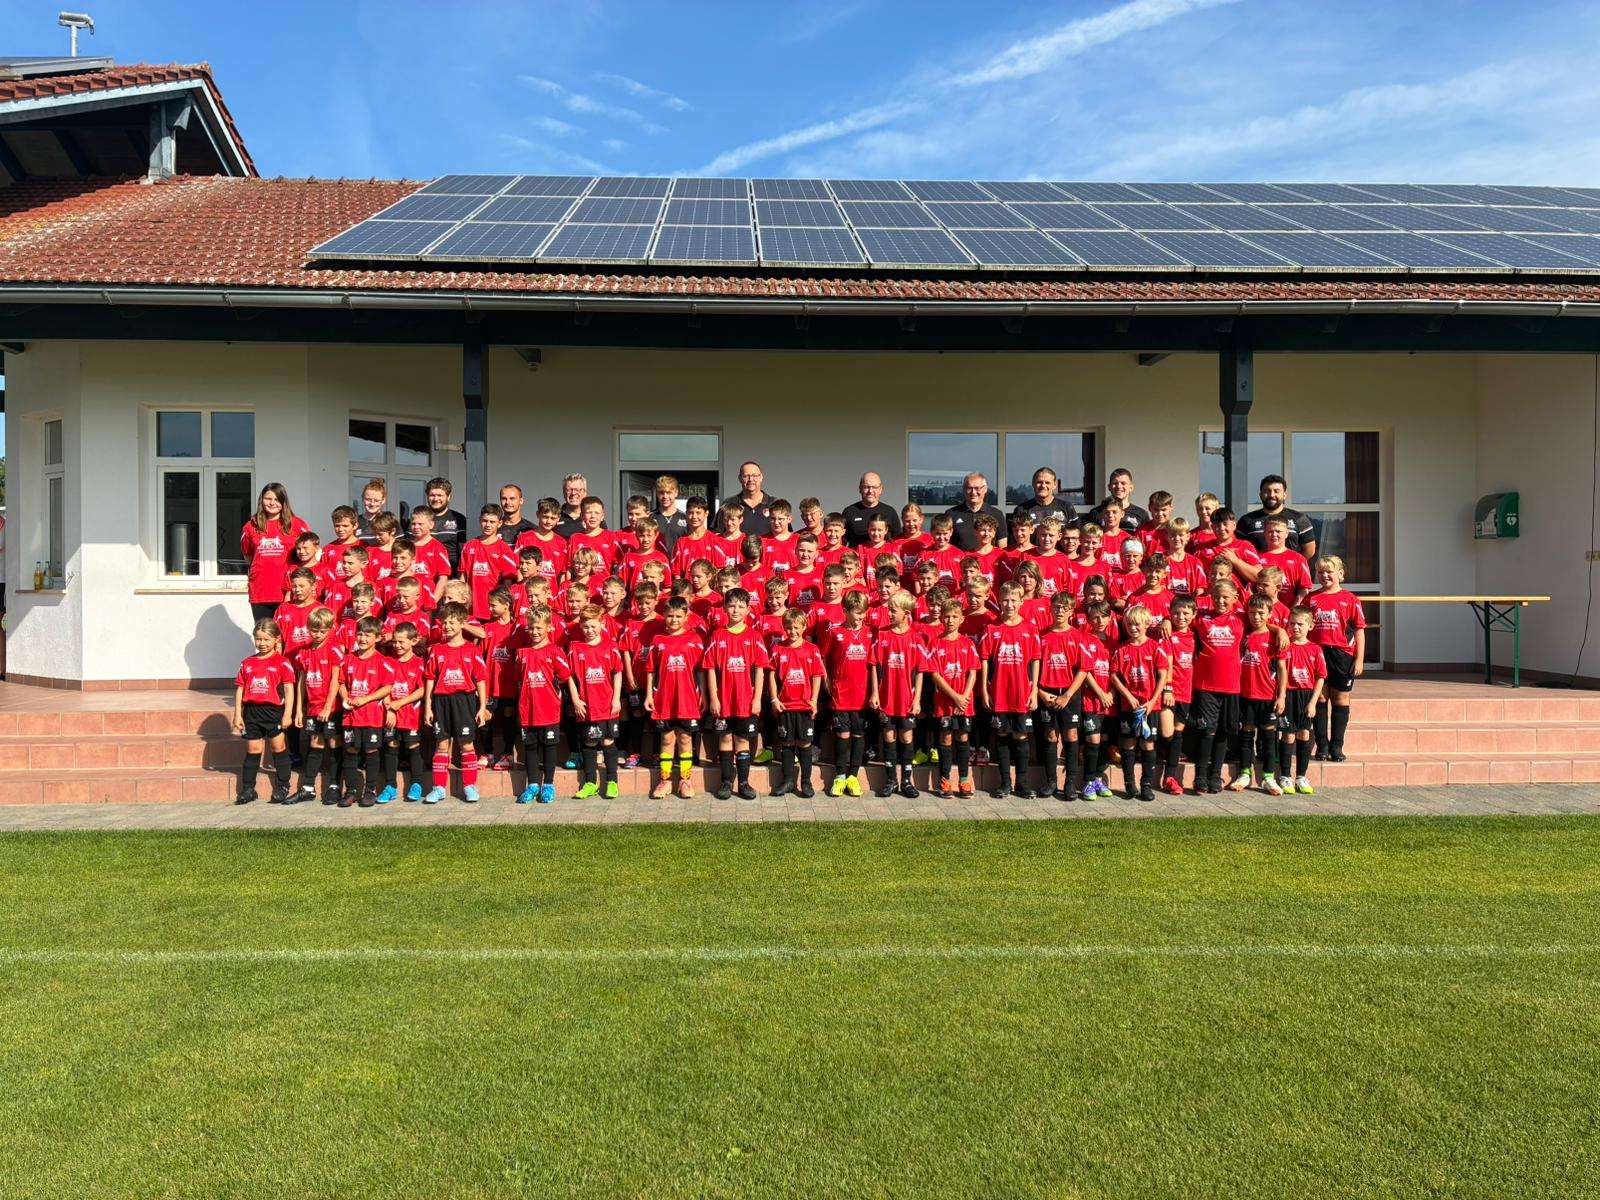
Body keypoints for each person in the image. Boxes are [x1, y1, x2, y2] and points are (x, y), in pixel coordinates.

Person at [979, 581, 1042, 799]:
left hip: (1022, 692)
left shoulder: (1030, 629)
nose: (1009, 604)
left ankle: (1022, 783)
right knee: (1002, 734)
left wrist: (1034, 691)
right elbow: (984, 660)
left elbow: (1036, 659)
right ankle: (1005, 783)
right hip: (999, 692)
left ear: (1021, 601)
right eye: (1005, 600)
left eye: (1014, 600)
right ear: (999, 601)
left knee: (1021, 735)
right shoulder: (991, 628)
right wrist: (984, 690)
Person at [704, 588, 768, 800]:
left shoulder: (754, 636)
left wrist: (757, 698)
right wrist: (714, 698)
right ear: (724, 608)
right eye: (731, 605)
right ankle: (725, 782)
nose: (736, 610)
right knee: (725, 739)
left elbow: (760, 669)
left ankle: (743, 783)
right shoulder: (717, 636)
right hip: (723, 700)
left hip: (745, 700)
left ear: (748, 609)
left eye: (741, 606)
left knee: (742, 740)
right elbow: (710, 668)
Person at [423, 601, 489, 804]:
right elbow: (430, 678)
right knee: (441, 744)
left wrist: (482, 707)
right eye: (444, 622)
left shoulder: (472, 650)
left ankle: (469, 786)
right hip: (441, 701)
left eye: (452, 622)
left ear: (462, 624)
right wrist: (428, 706)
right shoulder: (437, 650)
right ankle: (438, 788)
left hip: (464, 700)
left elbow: (481, 679)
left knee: (466, 744)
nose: (447, 626)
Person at [1306, 555, 1366, 762]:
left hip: (1342, 656)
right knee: (1320, 697)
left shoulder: (1350, 599)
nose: (1325, 575)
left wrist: (1359, 658)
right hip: (1318, 654)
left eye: (1329, 572)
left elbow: (1359, 630)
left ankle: (1337, 746)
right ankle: (1322, 745)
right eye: (1320, 572)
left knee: (1340, 698)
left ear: (1341, 574)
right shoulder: (1311, 598)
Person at [232, 618, 297, 805]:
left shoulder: (282, 662)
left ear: (276, 639)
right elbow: (240, 689)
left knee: (278, 747)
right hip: (252, 712)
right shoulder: (247, 663)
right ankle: (248, 789)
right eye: (258, 639)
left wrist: (287, 714)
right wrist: (237, 714)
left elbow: (289, 689)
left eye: (266, 639)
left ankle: (282, 786)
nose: (262, 643)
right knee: (253, 750)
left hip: (273, 711)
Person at [645, 597, 705, 800]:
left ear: (686, 616)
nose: (674, 620)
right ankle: (666, 780)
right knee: (667, 739)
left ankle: (685, 780)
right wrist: (649, 694)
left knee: (685, 738)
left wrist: (703, 695)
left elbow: (701, 670)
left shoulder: (694, 639)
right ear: (664, 615)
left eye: (679, 616)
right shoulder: (657, 640)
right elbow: (651, 670)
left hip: (687, 697)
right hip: (664, 698)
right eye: (670, 616)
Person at [1110, 605, 1170, 802]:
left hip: (1149, 707)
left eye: (1137, 624)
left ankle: (1146, 785)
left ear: (1147, 624)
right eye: (1129, 624)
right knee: (1128, 743)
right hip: (1130, 706)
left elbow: (1163, 675)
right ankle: (1130, 784)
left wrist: (1153, 701)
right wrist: (1128, 696)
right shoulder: (1121, 649)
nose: (1133, 628)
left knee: (1147, 743)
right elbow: (1114, 676)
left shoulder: (1155, 647)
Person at [515, 604, 572, 804]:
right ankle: (532, 785)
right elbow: (519, 678)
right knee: (530, 748)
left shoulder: (555, 651)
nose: (535, 632)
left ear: (549, 627)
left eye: (539, 627)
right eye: (531, 627)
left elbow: (565, 676)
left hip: (549, 710)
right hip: (528, 710)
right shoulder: (521, 653)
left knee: (549, 747)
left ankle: (548, 784)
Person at [567, 603, 625, 799]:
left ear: (602, 624)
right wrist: (575, 699)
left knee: (608, 741)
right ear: (580, 626)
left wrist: (616, 699)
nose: (589, 630)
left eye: (593, 626)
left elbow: (617, 672)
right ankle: (590, 783)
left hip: (607, 704)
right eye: (585, 626)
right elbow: (569, 676)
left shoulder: (611, 646)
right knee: (590, 742)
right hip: (586, 705)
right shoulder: (575, 647)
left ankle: (612, 782)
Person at [871, 590, 925, 800]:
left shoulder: (916, 638)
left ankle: (906, 781)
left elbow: (920, 671)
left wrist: (917, 699)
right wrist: (875, 692)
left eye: (893, 611)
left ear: (906, 613)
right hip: (886, 697)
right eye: (889, 610)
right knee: (889, 735)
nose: (889, 614)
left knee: (906, 736)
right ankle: (891, 780)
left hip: (907, 699)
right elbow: (874, 665)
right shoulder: (882, 635)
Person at [1231, 596, 1287, 795]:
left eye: (1261, 613)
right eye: (1252, 612)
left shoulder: (1275, 638)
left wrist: (1281, 696)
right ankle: (1245, 773)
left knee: (1268, 737)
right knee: (1247, 734)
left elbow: (1282, 669)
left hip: (1268, 695)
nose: (1256, 616)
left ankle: (1269, 777)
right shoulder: (1244, 634)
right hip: (1246, 695)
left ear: (1270, 614)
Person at [337, 616, 395, 808]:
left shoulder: (382, 661)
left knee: (371, 750)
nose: (362, 638)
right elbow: (341, 683)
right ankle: (351, 791)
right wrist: (345, 697)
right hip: (350, 717)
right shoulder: (347, 660)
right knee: (350, 750)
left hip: (371, 716)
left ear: (377, 638)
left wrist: (366, 699)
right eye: (359, 634)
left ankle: (370, 791)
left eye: (367, 635)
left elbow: (387, 687)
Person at [768, 607, 825, 797]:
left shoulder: (812, 649)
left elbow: (817, 675)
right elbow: (771, 674)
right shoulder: (778, 649)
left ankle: (806, 782)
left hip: (805, 706)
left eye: (796, 628)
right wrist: (774, 699)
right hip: (785, 706)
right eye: (789, 628)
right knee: (787, 743)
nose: (792, 631)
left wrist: (814, 700)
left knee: (804, 744)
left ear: (804, 627)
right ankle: (788, 781)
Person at [241, 483, 311, 621]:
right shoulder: (250, 526)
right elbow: (247, 555)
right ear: (262, 500)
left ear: (283, 502)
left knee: (287, 632)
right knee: (265, 632)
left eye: (277, 499)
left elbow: (311, 551)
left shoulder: (297, 524)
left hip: (290, 590)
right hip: (260, 591)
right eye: (268, 499)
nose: (272, 503)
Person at [1279, 607, 1327, 795]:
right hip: (1289, 695)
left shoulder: (1316, 649)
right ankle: (1285, 776)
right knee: (1288, 735)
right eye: (1292, 623)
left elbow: (1320, 677)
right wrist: (1281, 697)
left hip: (1307, 696)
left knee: (1304, 734)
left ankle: (1301, 776)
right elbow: (1281, 672)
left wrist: (1313, 702)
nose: (1296, 627)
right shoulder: (1285, 646)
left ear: (1310, 626)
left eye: (1300, 624)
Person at [379, 622, 427, 803]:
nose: (397, 645)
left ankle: (417, 784)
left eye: (401, 642)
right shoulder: (388, 662)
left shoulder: (419, 663)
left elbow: (422, 690)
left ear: (413, 641)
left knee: (413, 747)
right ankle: (390, 786)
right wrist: (390, 708)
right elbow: (384, 687)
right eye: (394, 642)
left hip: (410, 714)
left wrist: (400, 703)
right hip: (390, 713)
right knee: (391, 746)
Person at [1240, 475, 1318, 558]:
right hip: (1257, 566)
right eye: (1267, 491)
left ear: (1284, 495)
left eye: (1276, 491)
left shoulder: (1299, 518)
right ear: (1260, 494)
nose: (1271, 495)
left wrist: (1293, 563)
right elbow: (1239, 548)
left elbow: (1309, 550)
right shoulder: (1247, 520)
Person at [841, 471, 902, 546]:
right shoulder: (849, 512)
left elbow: (897, 541)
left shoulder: (890, 512)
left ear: (881, 489)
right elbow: (841, 542)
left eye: (874, 487)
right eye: (866, 487)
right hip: (856, 553)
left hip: (884, 553)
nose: (870, 491)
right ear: (860, 489)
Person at [423, 478, 471, 573]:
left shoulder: (459, 519)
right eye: (432, 495)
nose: (436, 499)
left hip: (451, 575)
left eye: (440, 495)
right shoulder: (418, 519)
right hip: (424, 574)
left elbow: (463, 552)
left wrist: (460, 576)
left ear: (449, 497)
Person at [1087, 468, 1150, 533]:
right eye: (1115, 483)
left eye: (1123, 483)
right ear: (1109, 487)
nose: (1119, 486)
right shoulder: (1096, 513)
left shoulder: (1141, 514)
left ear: (1131, 487)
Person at [1011, 467, 1076, 528]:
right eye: (1039, 482)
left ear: (1054, 485)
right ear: (1033, 484)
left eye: (1047, 483)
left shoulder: (1067, 507)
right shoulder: (1021, 510)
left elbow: (1076, 534)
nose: (1043, 486)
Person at [732, 461, 774, 538]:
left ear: (761, 477)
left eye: (754, 475)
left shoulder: (774, 504)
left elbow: (785, 535)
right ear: (740, 478)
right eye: (746, 476)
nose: (751, 479)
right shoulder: (729, 504)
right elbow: (718, 535)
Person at [651, 474, 690, 551]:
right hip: (656, 558)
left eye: (669, 492)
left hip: (679, 558)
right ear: (657, 494)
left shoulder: (686, 518)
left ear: (676, 493)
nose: (665, 496)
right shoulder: (650, 518)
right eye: (661, 492)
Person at [556, 473, 591, 539]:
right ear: (564, 493)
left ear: (585, 493)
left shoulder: (593, 516)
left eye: (577, 490)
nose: (573, 493)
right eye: (569, 490)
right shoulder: (555, 516)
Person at [355, 478, 388, 544]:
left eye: (376, 500)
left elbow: (399, 547)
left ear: (383, 500)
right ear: (362, 498)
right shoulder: (355, 522)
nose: (372, 504)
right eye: (368, 500)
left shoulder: (390, 522)